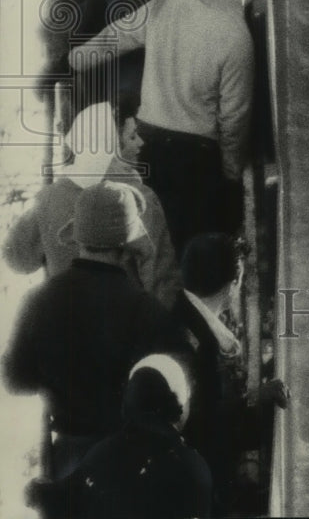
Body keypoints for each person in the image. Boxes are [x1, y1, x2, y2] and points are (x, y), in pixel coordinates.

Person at [69, 0, 265, 256]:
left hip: (146, 145)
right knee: (188, 251)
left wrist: (76, 59)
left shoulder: (168, 1)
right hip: (195, 159)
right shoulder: (237, 37)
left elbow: (117, 36)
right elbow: (235, 117)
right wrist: (231, 175)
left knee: (150, 246)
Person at [2, 181, 187, 479]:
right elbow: (175, 397)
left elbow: (15, 379)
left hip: (69, 463)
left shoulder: (39, 301)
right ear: (126, 243)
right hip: (132, 464)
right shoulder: (145, 311)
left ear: (78, 236)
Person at [3, 101, 182, 309]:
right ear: (110, 146)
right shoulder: (139, 198)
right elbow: (161, 280)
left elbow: (17, 258)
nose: (140, 142)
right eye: (131, 136)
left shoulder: (48, 198)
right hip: (124, 327)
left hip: (66, 325)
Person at [175, 233, 289, 516]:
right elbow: (213, 425)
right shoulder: (206, 343)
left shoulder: (178, 314)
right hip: (203, 482)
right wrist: (258, 400)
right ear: (234, 281)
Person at [25, 355, 213, 519]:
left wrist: (37, 491)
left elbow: (60, 500)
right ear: (177, 402)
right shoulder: (192, 467)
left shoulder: (101, 454)